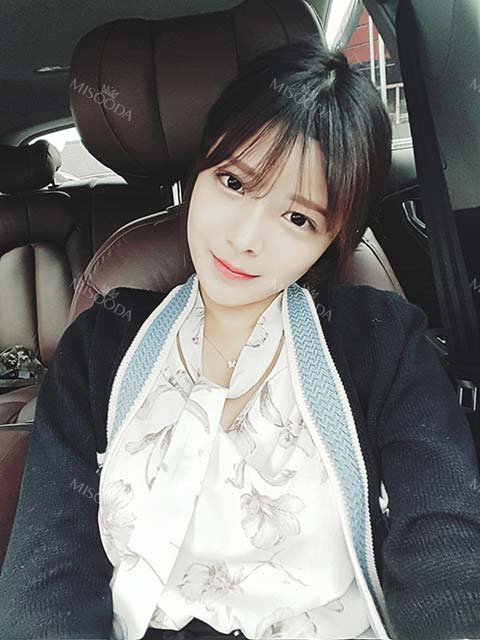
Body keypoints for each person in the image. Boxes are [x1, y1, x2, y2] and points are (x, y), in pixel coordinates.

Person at [1, 35, 480, 640]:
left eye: (298, 217)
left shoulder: (382, 342)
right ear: (199, 172)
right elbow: (48, 568)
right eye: (233, 182)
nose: (246, 238)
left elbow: (443, 544)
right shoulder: (100, 345)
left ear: (333, 238)